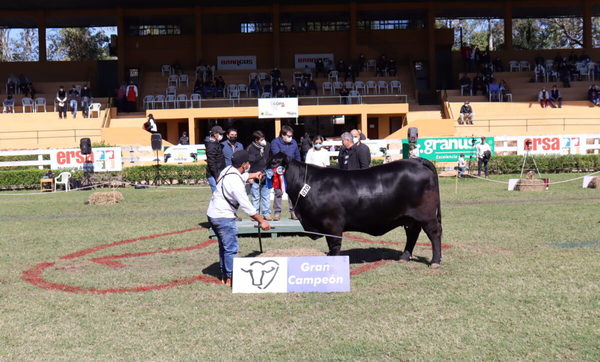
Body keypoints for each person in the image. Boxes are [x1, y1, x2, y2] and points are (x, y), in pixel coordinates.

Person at [207, 150, 271, 286]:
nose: (249, 164)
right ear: (243, 164)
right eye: (248, 163)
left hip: (213, 214)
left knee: (224, 247)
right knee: (230, 248)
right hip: (223, 217)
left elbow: (243, 176)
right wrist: (262, 221)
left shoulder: (228, 170)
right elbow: (247, 207)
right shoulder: (236, 183)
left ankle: (224, 274)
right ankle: (231, 278)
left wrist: (254, 175)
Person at [270, 125, 301, 220]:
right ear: (282, 135)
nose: (290, 138)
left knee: (292, 192)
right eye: (288, 136)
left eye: (291, 136)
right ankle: (277, 213)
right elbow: (278, 155)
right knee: (278, 192)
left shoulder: (294, 142)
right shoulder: (275, 142)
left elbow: (297, 155)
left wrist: (298, 167)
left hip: (292, 170)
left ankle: (293, 212)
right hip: (278, 170)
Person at [246, 130, 272, 221]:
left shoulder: (267, 146)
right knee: (255, 196)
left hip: (266, 174)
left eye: (263, 138)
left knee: (266, 195)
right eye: (261, 139)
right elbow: (247, 164)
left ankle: (266, 213)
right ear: (256, 140)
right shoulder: (250, 148)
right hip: (254, 175)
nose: (263, 141)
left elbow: (270, 158)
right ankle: (255, 214)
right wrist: (249, 177)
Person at [205, 125, 226, 192]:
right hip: (214, 175)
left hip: (219, 173)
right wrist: (216, 175)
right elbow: (211, 162)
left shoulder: (216, 143)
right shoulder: (211, 145)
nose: (221, 135)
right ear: (214, 134)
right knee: (217, 195)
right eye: (220, 133)